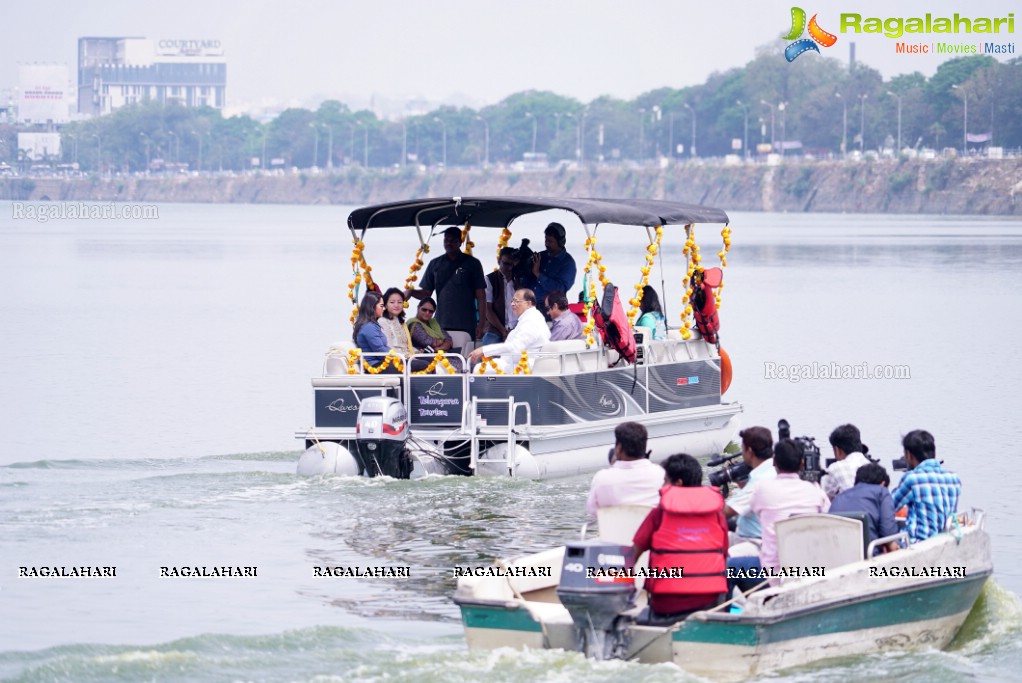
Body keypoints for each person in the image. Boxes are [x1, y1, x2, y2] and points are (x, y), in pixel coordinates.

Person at [632, 454, 729, 619]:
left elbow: (631, 557)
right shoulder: (717, 515)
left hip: (666, 607)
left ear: (678, 483)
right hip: (709, 605)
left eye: (665, 481)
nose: (660, 487)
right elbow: (723, 555)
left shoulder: (658, 514)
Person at [729, 439, 830, 586]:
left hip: (770, 574)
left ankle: (724, 608)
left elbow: (750, 512)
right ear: (802, 464)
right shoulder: (815, 490)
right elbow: (829, 514)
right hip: (810, 569)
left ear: (774, 462)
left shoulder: (762, 488)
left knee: (729, 566)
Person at [406, 226, 487, 339]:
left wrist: (482, 324)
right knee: (442, 355)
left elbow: (481, 296)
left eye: (453, 240)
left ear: (460, 242)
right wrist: (410, 292)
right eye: (446, 240)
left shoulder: (473, 263)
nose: (449, 243)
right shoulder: (435, 264)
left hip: (467, 323)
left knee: (466, 355)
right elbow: (426, 294)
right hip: (441, 323)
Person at [891, 430, 962, 543]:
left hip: (917, 546)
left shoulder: (912, 478)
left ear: (908, 455)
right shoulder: (954, 478)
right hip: (944, 543)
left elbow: (889, 506)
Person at [586, 422, 664, 515]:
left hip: (615, 528)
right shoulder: (661, 474)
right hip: (653, 528)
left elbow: (593, 511)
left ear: (618, 448)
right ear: (644, 447)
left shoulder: (601, 478)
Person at [468, 288, 550, 373]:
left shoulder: (532, 321)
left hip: (523, 368)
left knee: (479, 369)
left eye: (516, 301)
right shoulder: (528, 318)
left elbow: (515, 347)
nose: (512, 304)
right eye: (512, 301)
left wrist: (483, 350)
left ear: (528, 303)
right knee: (480, 367)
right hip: (514, 364)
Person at [722, 426, 776, 550]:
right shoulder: (773, 470)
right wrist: (742, 485)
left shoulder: (758, 481)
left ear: (749, 451)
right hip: (765, 536)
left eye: (742, 448)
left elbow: (726, 512)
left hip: (754, 542)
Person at [830, 463, 900, 553]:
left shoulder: (838, 498)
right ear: (883, 484)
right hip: (869, 557)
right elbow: (889, 534)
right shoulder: (882, 492)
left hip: (837, 556)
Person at [521, 222, 577, 317]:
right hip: (529, 307)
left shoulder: (568, 263)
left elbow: (560, 290)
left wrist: (538, 274)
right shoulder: (540, 256)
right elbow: (526, 280)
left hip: (549, 311)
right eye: (546, 240)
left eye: (550, 241)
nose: (547, 243)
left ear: (560, 242)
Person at [406, 297, 465, 372]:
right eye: (424, 310)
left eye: (430, 311)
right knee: (457, 365)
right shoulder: (414, 324)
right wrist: (442, 342)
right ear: (418, 308)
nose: (427, 313)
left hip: (437, 353)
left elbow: (449, 341)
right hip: (422, 356)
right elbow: (428, 342)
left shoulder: (433, 323)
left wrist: (437, 349)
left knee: (466, 362)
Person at [821, 423, 872, 500]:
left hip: (848, 511)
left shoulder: (835, 468)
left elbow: (824, 499)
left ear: (837, 450)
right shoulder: (873, 467)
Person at [352, 291, 398, 373]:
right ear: (372, 307)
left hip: (381, 362)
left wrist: (399, 355)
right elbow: (380, 351)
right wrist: (399, 358)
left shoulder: (372, 325)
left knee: (417, 363)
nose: (384, 309)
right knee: (420, 365)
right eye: (381, 306)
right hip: (375, 366)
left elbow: (384, 348)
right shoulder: (368, 327)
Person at [481, 247, 519, 346]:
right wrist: (503, 331)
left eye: (512, 264)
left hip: (517, 328)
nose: (510, 267)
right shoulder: (489, 279)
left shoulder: (519, 281)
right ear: (498, 261)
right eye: (506, 263)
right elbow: (488, 311)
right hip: (495, 328)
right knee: (487, 351)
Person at [378, 287, 414, 355]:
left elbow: (406, 346)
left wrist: (417, 352)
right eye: (392, 302)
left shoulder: (401, 322)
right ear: (385, 304)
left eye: (400, 302)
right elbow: (388, 347)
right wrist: (406, 356)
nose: (396, 305)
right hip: (395, 360)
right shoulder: (382, 321)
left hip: (407, 358)